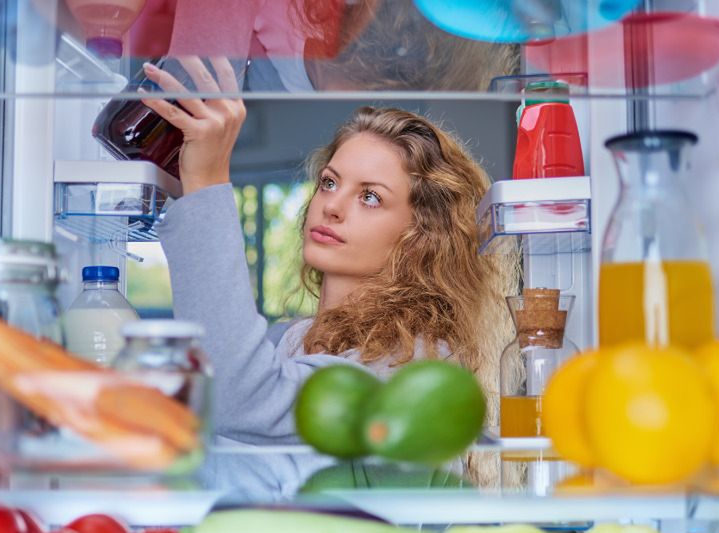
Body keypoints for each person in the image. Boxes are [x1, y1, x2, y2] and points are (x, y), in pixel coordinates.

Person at [140, 57, 516, 485]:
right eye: (330, 182)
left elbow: (237, 396)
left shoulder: (413, 361)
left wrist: (206, 183)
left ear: (422, 237)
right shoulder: (292, 339)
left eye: (370, 197)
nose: (332, 206)